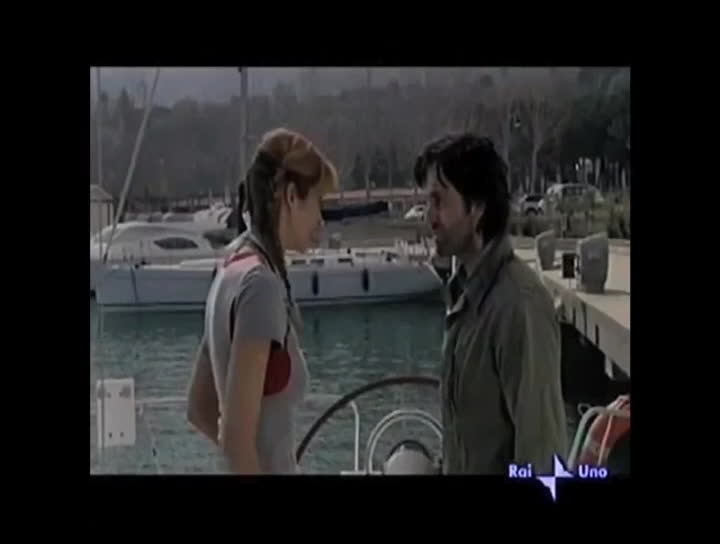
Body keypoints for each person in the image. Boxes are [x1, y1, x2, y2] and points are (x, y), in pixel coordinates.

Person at [186, 128, 338, 474]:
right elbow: (236, 441)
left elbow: (199, 407)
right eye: (318, 201)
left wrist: (253, 456)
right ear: (291, 197)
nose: (321, 219)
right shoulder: (261, 286)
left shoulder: (231, 267)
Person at [413, 133, 568, 474]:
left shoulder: (519, 305)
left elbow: (542, 457)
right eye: (427, 202)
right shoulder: (464, 296)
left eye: (439, 201)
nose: (429, 217)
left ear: (478, 207)